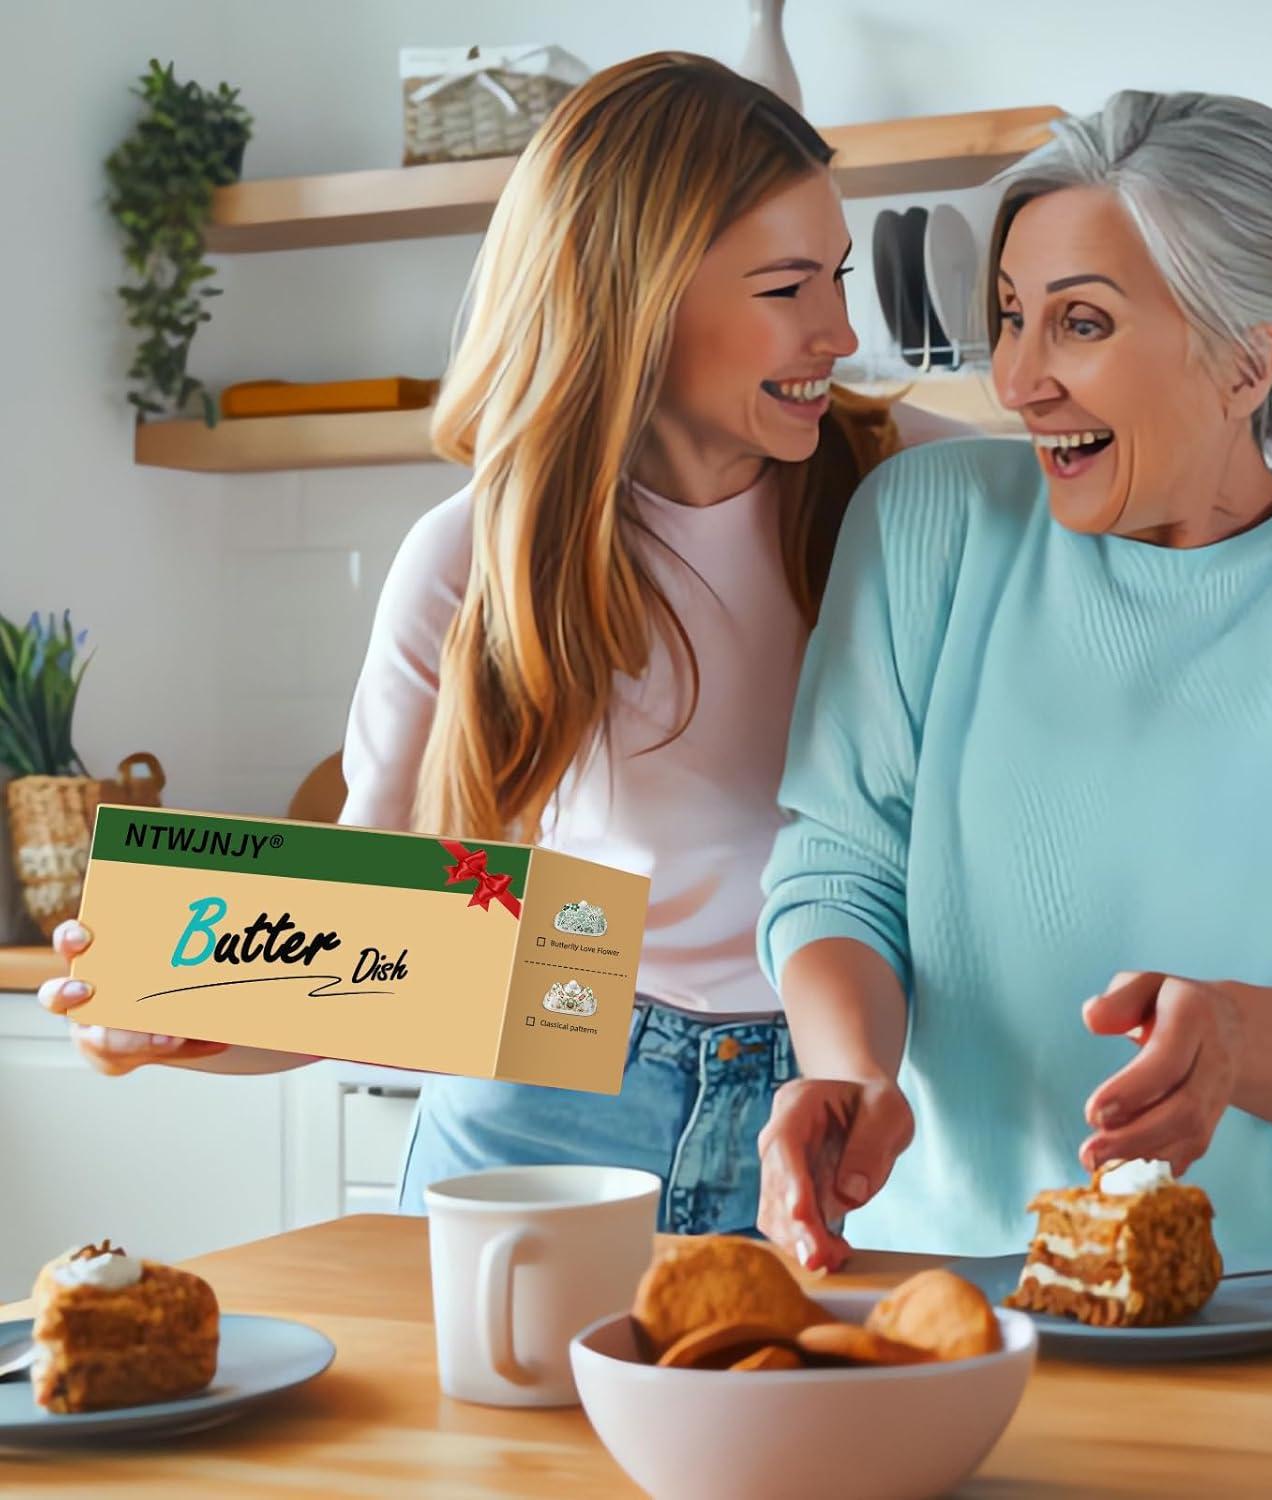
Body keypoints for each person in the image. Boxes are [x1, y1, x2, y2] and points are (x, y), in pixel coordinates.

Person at [38, 52, 960, 1235]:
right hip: (550, 1078)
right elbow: (386, 952)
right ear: (640, 293)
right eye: (788, 288)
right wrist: (163, 1020)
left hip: (850, 1112)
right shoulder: (470, 560)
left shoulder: (920, 493)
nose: (840, 331)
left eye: (835, 275)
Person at [753, 89, 1272, 1275]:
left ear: (1248, 360)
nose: (1017, 381)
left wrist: (1242, 1042)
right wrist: (849, 1076)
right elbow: (841, 869)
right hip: (946, 1280)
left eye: (1081, 324)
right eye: (1009, 317)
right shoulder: (927, 525)